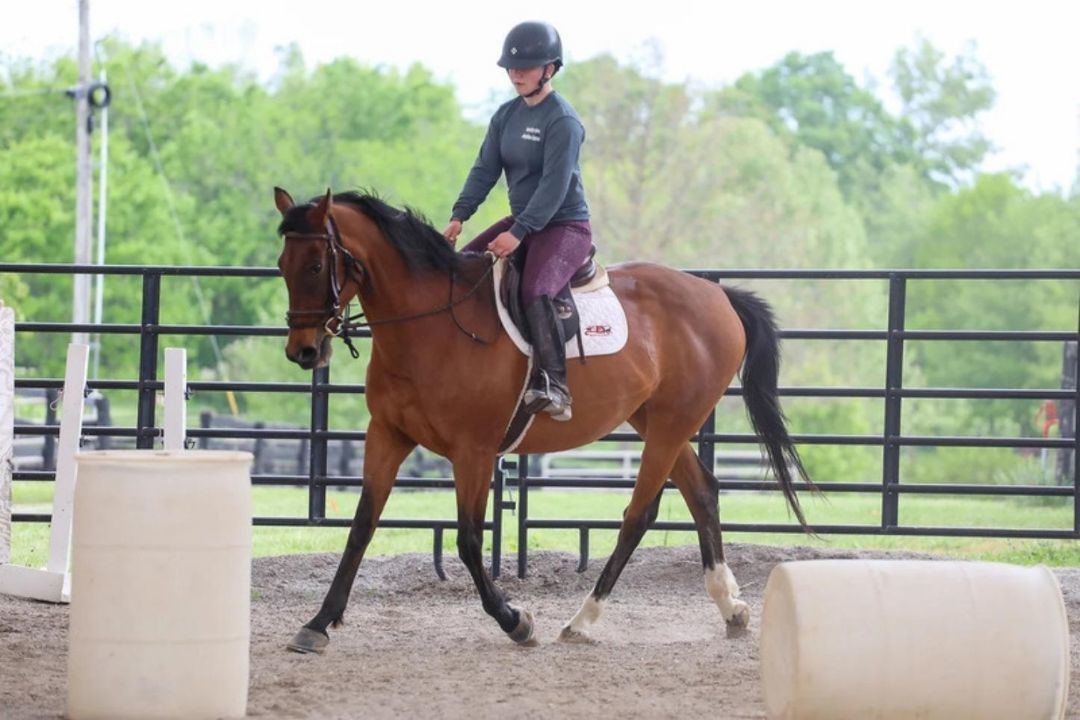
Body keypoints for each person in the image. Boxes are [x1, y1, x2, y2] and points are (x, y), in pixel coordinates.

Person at [443, 20, 592, 422]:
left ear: (551, 69)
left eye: (526, 67)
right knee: (460, 271)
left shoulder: (563, 121)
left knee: (536, 288)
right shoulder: (506, 115)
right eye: (512, 67)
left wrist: (518, 233)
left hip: (563, 226)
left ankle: (556, 386)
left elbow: (554, 188)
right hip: (523, 220)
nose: (516, 73)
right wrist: (459, 216)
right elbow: (484, 170)